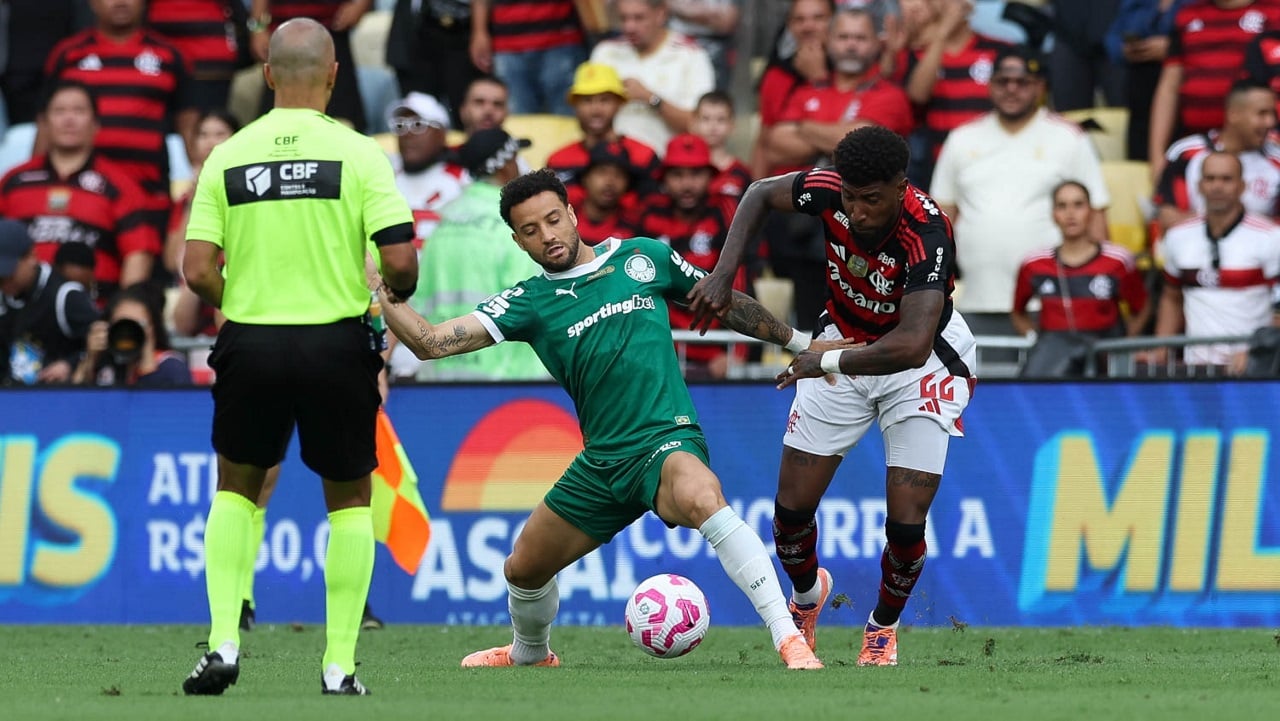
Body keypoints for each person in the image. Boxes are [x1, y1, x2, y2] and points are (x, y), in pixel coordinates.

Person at [371, 168, 848, 670]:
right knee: (523, 568)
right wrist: (380, 288)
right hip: (603, 462)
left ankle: (788, 637)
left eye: (553, 219)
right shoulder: (529, 302)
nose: (547, 235)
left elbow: (723, 304)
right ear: (517, 240)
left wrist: (800, 343)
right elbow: (429, 343)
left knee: (703, 497)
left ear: (572, 214)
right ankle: (530, 653)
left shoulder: (643, 256)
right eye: (531, 230)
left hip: (666, 440)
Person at [179, 17, 419, 696]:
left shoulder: (227, 155)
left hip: (250, 339)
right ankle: (339, 667)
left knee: (236, 488)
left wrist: (244, 301)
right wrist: (395, 292)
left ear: (266, 70)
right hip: (335, 342)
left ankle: (224, 642)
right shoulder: (361, 154)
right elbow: (399, 259)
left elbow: (197, 270)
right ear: (335, 73)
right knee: (347, 498)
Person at [687, 125, 975, 666]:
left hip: (921, 363)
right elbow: (757, 194)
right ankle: (806, 598)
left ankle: (882, 629)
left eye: (872, 199)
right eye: (849, 198)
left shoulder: (928, 232)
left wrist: (824, 360)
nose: (859, 211)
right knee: (790, 513)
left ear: (900, 186)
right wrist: (723, 274)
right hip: (840, 342)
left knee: (906, 520)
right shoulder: (825, 186)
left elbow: (911, 345)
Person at [930, 45, 1110, 339]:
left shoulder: (1069, 138)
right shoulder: (962, 138)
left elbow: (1096, 219)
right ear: (990, 86)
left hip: (1051, 301)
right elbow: (940, 220)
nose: (1011, 89)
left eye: (1022, 82)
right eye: (1002, 81)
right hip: (975, 297)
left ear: (1040, 86)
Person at [0, 81, 162, 301]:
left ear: (96, 124)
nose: (69, 119)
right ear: (43, 123)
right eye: (59, 111)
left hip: (92, 315)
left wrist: (119, 312)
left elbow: (139, 255)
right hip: (16, 316)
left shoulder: (120, 186)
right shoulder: (13, 181)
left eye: (79, 110)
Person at [1149, 151, 1280, 373]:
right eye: (1210, 179)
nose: (1217, 186)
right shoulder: (1177, 237)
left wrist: (1258, 351)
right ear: (1199, 185)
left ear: (1242, 186)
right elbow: (1171, 298)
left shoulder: (1271, 237)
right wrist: (1162, 348)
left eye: (1226, 179)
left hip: (1254, 370)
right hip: (1197, 371)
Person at [1013, 181, 1149, 378]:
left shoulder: (1118, 261)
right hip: (1053, 364)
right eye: (1062, 206)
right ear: (1053, 215)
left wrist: (1120, 346)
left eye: (1078, 205)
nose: (1070, 214)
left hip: (1103, 367)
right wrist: (1037, 341)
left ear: (1091, 212)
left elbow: (1142, 308)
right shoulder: (1033, 264)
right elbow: (1018, 312)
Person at [1154, 80, 1280, 233]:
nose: (1271, 122)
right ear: (1234, 115)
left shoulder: (1277, 161)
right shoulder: (1186, 153)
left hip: (1261, 254)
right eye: (1262, 114)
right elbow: (1168, 217)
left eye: (1272, 114)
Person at [0, 220, 99, 385]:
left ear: (31, 256)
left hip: (58, 398)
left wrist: (70, 364)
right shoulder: (4, 295)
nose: (4, 283)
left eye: (8, 274)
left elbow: (102, 340)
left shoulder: (65, 296)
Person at [73, 283, 191, 385]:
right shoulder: (104, 363)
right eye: (122, 324)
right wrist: (90, 359)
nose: (128, 332)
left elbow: (158, 407)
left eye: (137, 324)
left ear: (152, 328)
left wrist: (147, 363)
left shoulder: (171, 366)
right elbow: (73, 402)